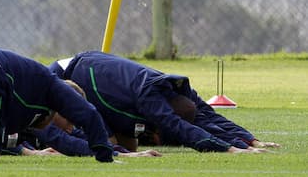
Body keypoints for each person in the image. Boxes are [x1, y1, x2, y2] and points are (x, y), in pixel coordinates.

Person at [49, 51, 279, 153]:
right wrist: (228, 148)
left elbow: (207, 115)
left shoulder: (179, 91)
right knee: (109, 141)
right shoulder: (150, 97)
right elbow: (179, 127)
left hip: (98, 75)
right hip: (70, 74)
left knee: (128, 144)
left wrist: (248, 139)